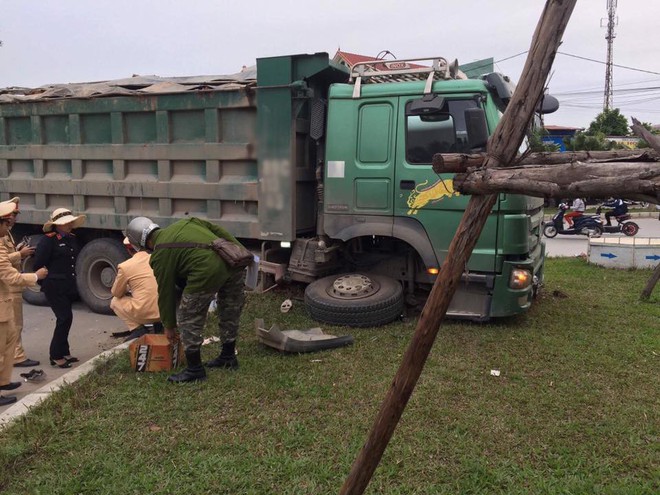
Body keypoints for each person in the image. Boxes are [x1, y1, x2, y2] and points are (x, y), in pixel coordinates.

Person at [125, 216, 247, 383]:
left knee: (188, 319)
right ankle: (228, 356)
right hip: (233, 261)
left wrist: (169, 326)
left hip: (206, 270)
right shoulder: (187, 222)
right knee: (229, 310)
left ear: (141, 243)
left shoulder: (160, 253)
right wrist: (239, 249)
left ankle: (195, 369)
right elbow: (218, 230)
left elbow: (165, 292)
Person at [0, 201, 48, 406]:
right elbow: (9, 275)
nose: (12, 222)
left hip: (4, 298)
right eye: (8, 220)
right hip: (6, 294)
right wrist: (35, 277)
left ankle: (3, 382)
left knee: (10, 338)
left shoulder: (4, 236)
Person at [33, 208, 86, 369]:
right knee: (64, 318)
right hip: (54, 286)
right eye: (65, 223)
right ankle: (55, 355)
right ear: (57, 225)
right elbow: (38, 265)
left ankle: (64, 351)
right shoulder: (48, 240)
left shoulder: (71, 238)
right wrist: (46, 284)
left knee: (66, 318)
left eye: (70, 222)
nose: (69, 225)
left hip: (67, 285)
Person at [0, 197, 40, 367]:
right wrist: (20, 254)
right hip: (9, 285)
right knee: (14, 324)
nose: (15, 217)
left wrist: (18, 250)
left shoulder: (6, 232)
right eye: (14, 214)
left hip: (11, 285)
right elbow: (3, 260)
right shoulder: (1, 234)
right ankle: (17, 356)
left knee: (14, 323)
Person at [110, 237, 161, 340]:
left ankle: (137, 329)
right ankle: (159, 326)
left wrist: (127, 288)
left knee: (115, 302)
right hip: (165, 311)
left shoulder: (125, 266)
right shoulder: (157, 258)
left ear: (128, 250)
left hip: (145, 314)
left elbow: (116, 292)